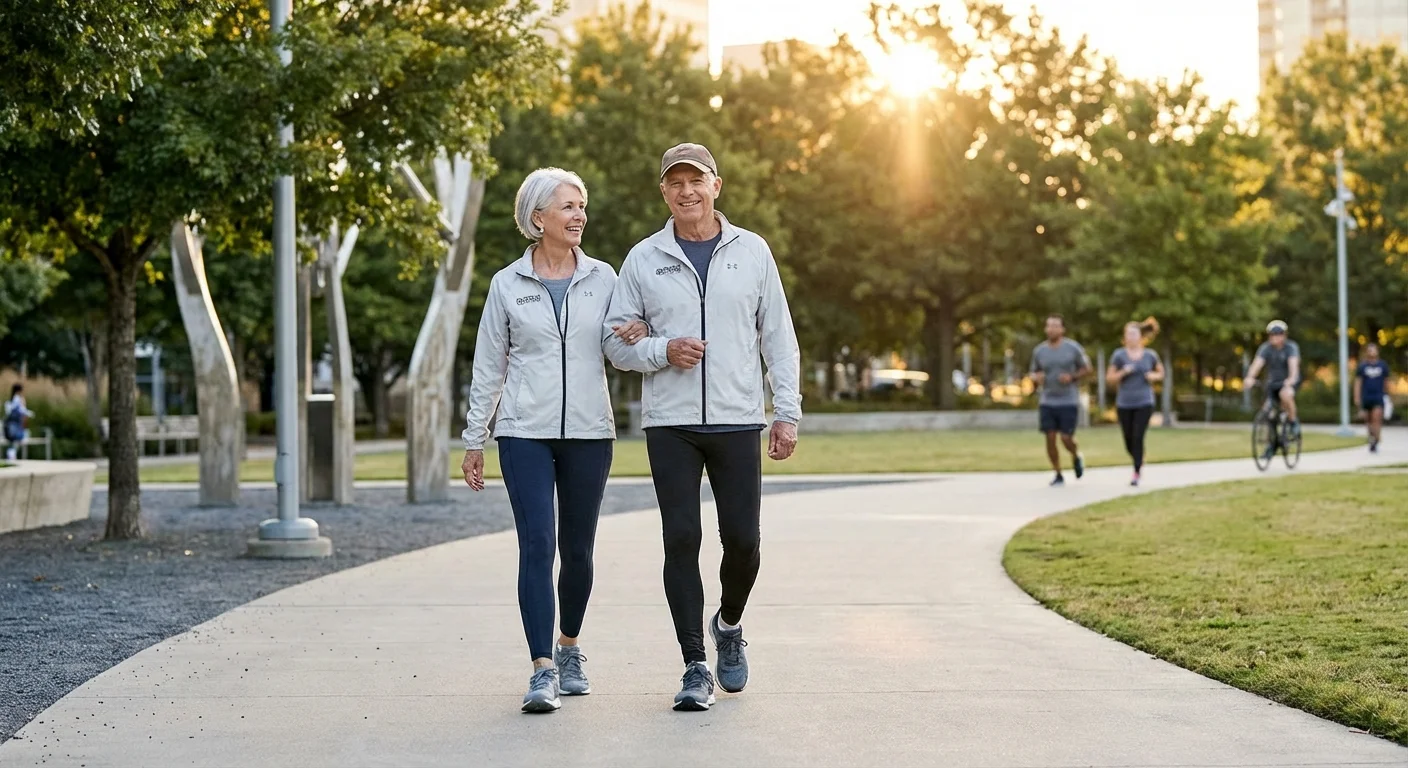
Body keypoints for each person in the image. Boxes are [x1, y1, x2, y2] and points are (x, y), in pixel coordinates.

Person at [603, 142, 802, 712]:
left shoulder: (753, 252)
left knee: (744, 541)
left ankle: (729, 625)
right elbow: (616, 342)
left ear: (717, 185)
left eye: (697, 181)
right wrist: (664, 350)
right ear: (663, 192)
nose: (686, 191)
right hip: (672, 424)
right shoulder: (644, 258)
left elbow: (778, 338)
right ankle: (694, 665)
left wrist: (785, 411)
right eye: (675, 183)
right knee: (681, 540)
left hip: (739, 418)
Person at [460, 168, 648, 714]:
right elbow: (487, 369)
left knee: (579, 549)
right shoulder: (506, 285)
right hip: (523, 434)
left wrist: (642, 338)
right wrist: (475, 440)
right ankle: (542, 667)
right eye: (567, 207)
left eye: (582, 206)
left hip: (589, 433)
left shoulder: (605, 279)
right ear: (537, 217)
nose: (579, 216)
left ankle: (569, 646)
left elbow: (620, 353)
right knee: (538, 544)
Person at [1030, 314, 1091, 487]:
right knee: (1050, 437)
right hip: (1047, 400)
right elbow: (1033, 373)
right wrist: (1036, 377)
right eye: (1049, 326)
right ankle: (1057, 473)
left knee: (1066, 437)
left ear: (1062, 329)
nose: (1052, 329)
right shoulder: (1039, 351)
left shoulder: (1073, 348)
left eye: (1055, 326)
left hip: (1068, 399)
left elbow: (1087, 369)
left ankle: (1075, 455)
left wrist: (1071, 377)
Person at [1106, 319, 1165, 486]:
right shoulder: (1119, 355)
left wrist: (1152, 376)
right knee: (1128, 439)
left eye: (1134, 334)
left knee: (1138, 436)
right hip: (1124, 402)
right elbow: (1109, 378)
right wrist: (1123, 373)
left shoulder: (1150, 355)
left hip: (1144, 401)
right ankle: (1139, 458)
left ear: (1141, 336)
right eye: (1128, 334)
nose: (1131, 337)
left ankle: (1136, 471)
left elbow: (1161, 374)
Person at [1243, 320, 1301, 440]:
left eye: (1278, 334)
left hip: (1288, 382)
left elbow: (1293, 367)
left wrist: (1290, 380)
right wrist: (1250, 377)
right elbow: (1257, 364)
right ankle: (1271, 445)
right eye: (1272, 334)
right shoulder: (1266, 348)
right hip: (1272, 383)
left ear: (1284, 335)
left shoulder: (1291, 347)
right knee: (1267, 411)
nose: (1274, 337)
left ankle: (1292, 422)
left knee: (1286, 395)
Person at [1355, 343, 1390, 452]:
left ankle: (1376, 438)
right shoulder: (1362, 367)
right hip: (1366, 397)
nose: (1372, 352)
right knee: (1368, 420)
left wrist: (1387, 396)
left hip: (1378, 396)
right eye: (1370, 350)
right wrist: (1357, 397)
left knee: (1376, 418)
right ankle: (1372, 438)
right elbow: (1358, 383)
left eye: (1374, 350)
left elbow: (1386, 382)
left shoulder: (1382, 366)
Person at [4, 383, 34, 461]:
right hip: (15, 423)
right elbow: (20, 410)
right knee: (18, 438)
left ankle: (11, 454)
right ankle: (11, 454)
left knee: (14, 440)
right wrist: (29, 413)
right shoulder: (17, 399)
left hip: (12, 423)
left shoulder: (11, 399)